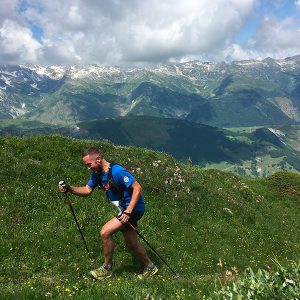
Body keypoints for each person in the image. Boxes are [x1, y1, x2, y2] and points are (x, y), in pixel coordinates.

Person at [58, 147, 158, 280]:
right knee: (131, 243)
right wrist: (69, 189)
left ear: (98, 159)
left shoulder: (117, 171)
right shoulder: (97, 174)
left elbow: (137, 188)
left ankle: (106, 268)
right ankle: (150, 267)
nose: (88, 168)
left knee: (105, 232)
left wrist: (128, 211)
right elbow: (87, 190)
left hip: (133, 210)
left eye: (89, 164)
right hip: (124, 210)